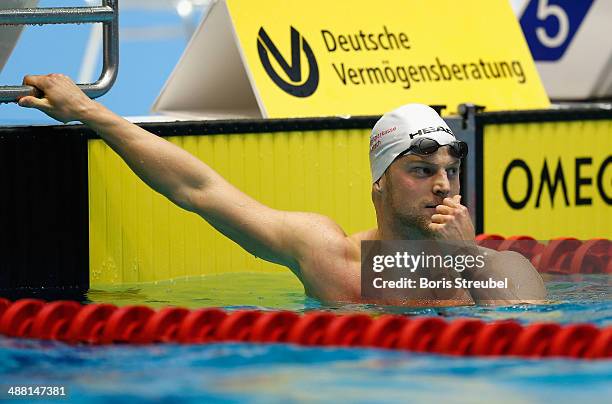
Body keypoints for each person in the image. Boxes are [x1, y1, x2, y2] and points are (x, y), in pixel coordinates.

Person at [17, 74, 546, 306]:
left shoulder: (506, 271)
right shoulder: (328, 256)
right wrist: (87, 111)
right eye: (421, 170)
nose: (442, 186)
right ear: (379, 183)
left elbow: (518, 363)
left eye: (449, 172)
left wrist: (465, 263)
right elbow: (197, 188)